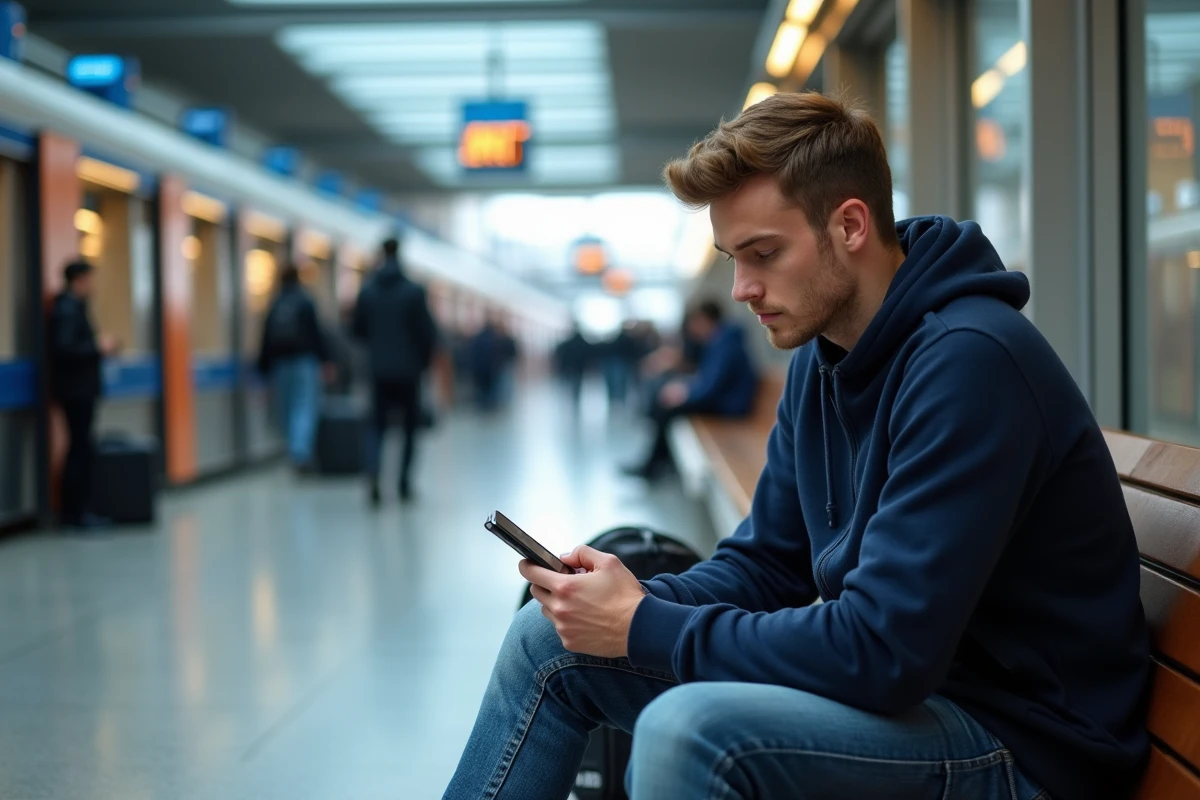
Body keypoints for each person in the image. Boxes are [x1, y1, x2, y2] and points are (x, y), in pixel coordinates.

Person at [444, 92, 1149, 800]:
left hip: (1023, 747)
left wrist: (645, 625)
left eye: (764, 254)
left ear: (849, 225)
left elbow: (883, 652)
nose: (743, 288)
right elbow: (766, 566)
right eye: (730, 258)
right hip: (914, 705)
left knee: (691, 735)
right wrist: (626, 600)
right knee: (545, 641)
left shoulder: (973, 362)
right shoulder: (822, 360)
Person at [622, 299, 757, 479]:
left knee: (668, 408)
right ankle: (659, 461)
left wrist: (685, 393)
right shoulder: (721, 340)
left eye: (694, 322)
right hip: (723, 400)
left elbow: (711, 386)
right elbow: (708, 378)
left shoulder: (725, 343)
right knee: (667, 401)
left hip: (730, 406)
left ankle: (653, 466)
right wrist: (684, 389)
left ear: (705, 320)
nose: (692, 329)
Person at [353, 236, 437, 505]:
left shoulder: (367, 291)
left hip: (378, 371)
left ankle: (374, 479)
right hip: (409, 371)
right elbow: (427, 333)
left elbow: (356, 329)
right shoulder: (413, 291)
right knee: (409, 429)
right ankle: (403, 483)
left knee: (376, 426)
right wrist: (422, 362)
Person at [49, 260, 121, 529]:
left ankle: (79, 511)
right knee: (79, 449)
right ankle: (76, 513)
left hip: (80, 390)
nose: (93, 285)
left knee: (81, 447)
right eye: (90, 279)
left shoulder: (72, 307)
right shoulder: (67, 309)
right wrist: (97, 347)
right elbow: (65, 349)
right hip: (76, 391)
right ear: (78, 280)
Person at [257, 263, 333, 473]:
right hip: (305, 362)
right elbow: (317, 334)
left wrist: (262, 368)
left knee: (286, 407)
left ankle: (293, 448)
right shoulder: (306, 301)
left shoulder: (275, 303)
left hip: (280, 364)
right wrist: (326, 360)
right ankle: (301, 453)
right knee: (305, 406)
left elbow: (265, 339)